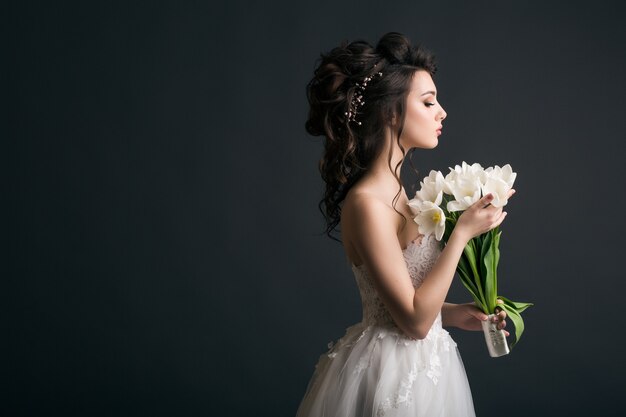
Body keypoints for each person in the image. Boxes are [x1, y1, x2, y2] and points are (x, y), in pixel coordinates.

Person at [296, 32, 516, 417]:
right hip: (389, 374)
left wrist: (458, 313)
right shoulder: (367, 203)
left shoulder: (402, 194)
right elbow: (412, 322)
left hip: (429, 368)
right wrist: (461, 233)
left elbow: (404, 301)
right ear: (390, 113)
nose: (442, 111)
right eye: (428, 102)